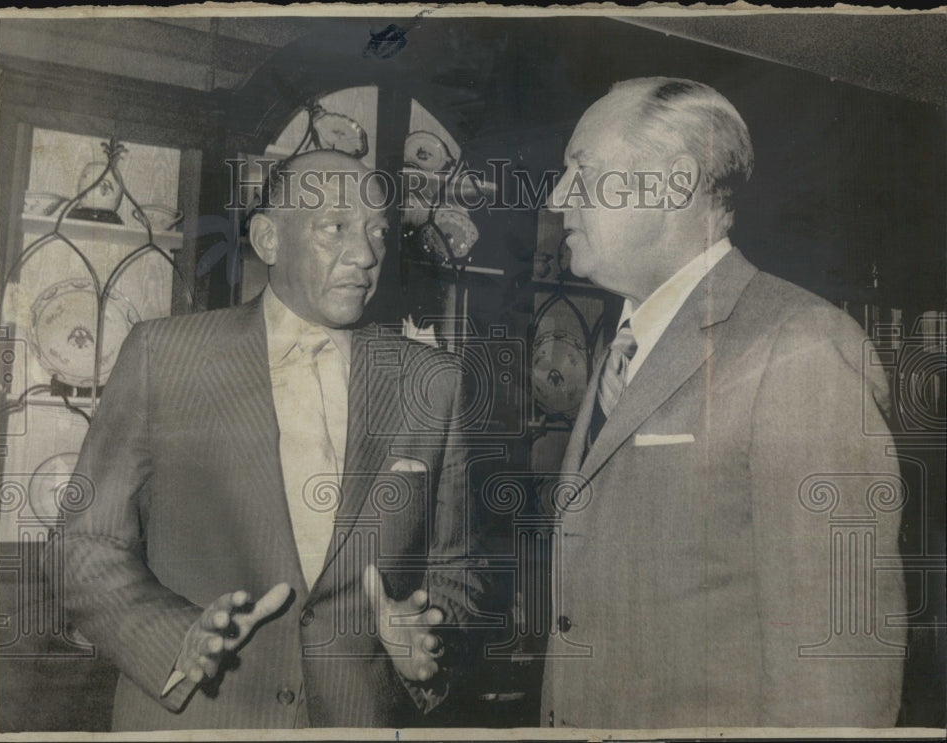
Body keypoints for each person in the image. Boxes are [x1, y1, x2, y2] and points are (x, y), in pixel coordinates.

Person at [54, 150, 480, 730]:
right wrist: (175, 639)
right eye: (335, 228)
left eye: (379, 231)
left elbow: (456, 570)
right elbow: (87, 545)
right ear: (269, 239)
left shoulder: (433, 383)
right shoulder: (163, 356)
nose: (366, 254)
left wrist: (428, 642)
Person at [541, 78, 906, 729]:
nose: (556, 196)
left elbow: (838, 663)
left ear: (675, 184)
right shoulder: (621, 347)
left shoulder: (799, 345)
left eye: (583, 171)